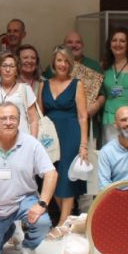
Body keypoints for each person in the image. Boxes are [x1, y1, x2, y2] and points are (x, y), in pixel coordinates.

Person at [0, 102, 57, 254]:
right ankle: (8, 229)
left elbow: (51, 173)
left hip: (24, 200)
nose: (8, 122)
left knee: (43, 222)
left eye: (12, 118)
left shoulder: (31, 143)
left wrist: (42, 204)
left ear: (19, 121)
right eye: (3, 118)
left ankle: (28, 246)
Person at [38, 45, 89, 236]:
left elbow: (83, 116)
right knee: (52, 175)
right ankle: (66, 218)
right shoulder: (43, 84)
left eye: (66, 61)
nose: (62, 64)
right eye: (59, 60)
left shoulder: (78, 84)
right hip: (49, 137)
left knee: (67, 177)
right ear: (54, 62)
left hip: (70, 134)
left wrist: (83, 144)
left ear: (71, 64)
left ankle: (62, 223)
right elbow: (39, 114)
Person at [99, 28, 128, 144]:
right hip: (110, 120)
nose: (118, 44)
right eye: (114, 40)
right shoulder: (103, 66)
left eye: (122, 41)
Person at [0, 52, 39, 138]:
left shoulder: (25, 89)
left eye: (11, 66)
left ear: (16, 70)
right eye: (4, 66)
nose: (8, 70)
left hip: (21, 142)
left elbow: (33, 120)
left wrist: (33, 143)